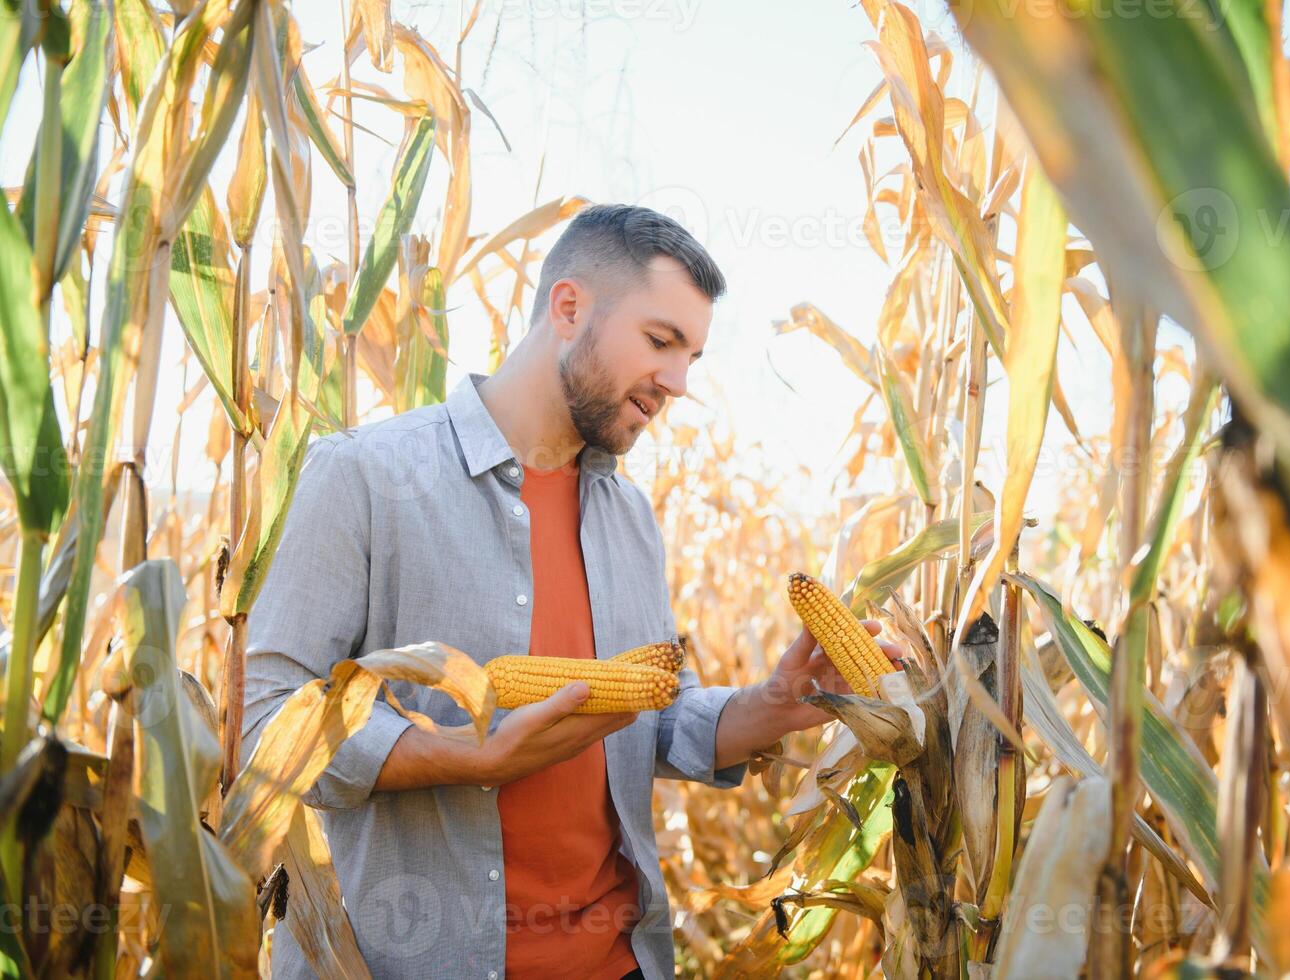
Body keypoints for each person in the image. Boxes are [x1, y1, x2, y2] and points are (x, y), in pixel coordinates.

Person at [242, 203, 902, 979]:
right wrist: (462, 754)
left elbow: (648, 716)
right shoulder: (365, 476)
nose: (678, 382)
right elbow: (265, 727)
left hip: (617, 963)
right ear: (568, 307)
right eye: (661, 342)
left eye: (691, 356)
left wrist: (769, 705)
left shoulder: (625, 515)